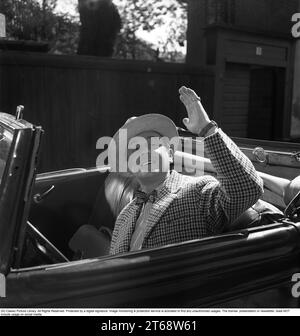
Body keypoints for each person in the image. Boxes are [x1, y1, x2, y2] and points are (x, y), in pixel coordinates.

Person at [109, 86, 264, 255]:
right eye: (135, 148)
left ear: (169, 153)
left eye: (152, 143)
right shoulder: (124, 215)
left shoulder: (199, 190)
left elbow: (247, 189)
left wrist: (206, 129)